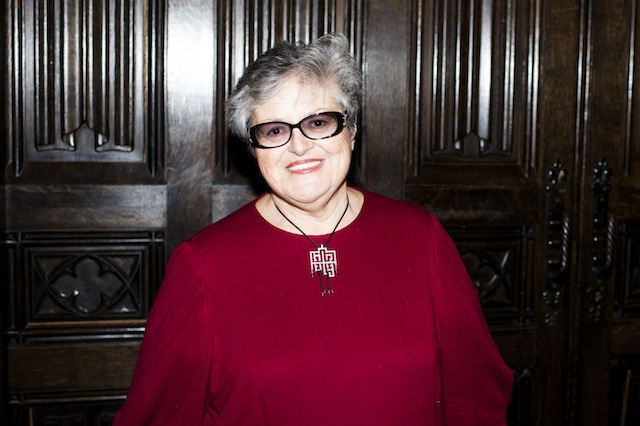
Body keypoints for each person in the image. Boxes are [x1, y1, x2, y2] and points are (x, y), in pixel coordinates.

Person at [113, 33, 513, 425]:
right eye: (274, 130)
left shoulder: (421, 238)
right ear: (254, 148)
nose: (299, 146)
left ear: (351, 130)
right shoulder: (203, 266)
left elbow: (476, 401)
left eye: (318, 123)